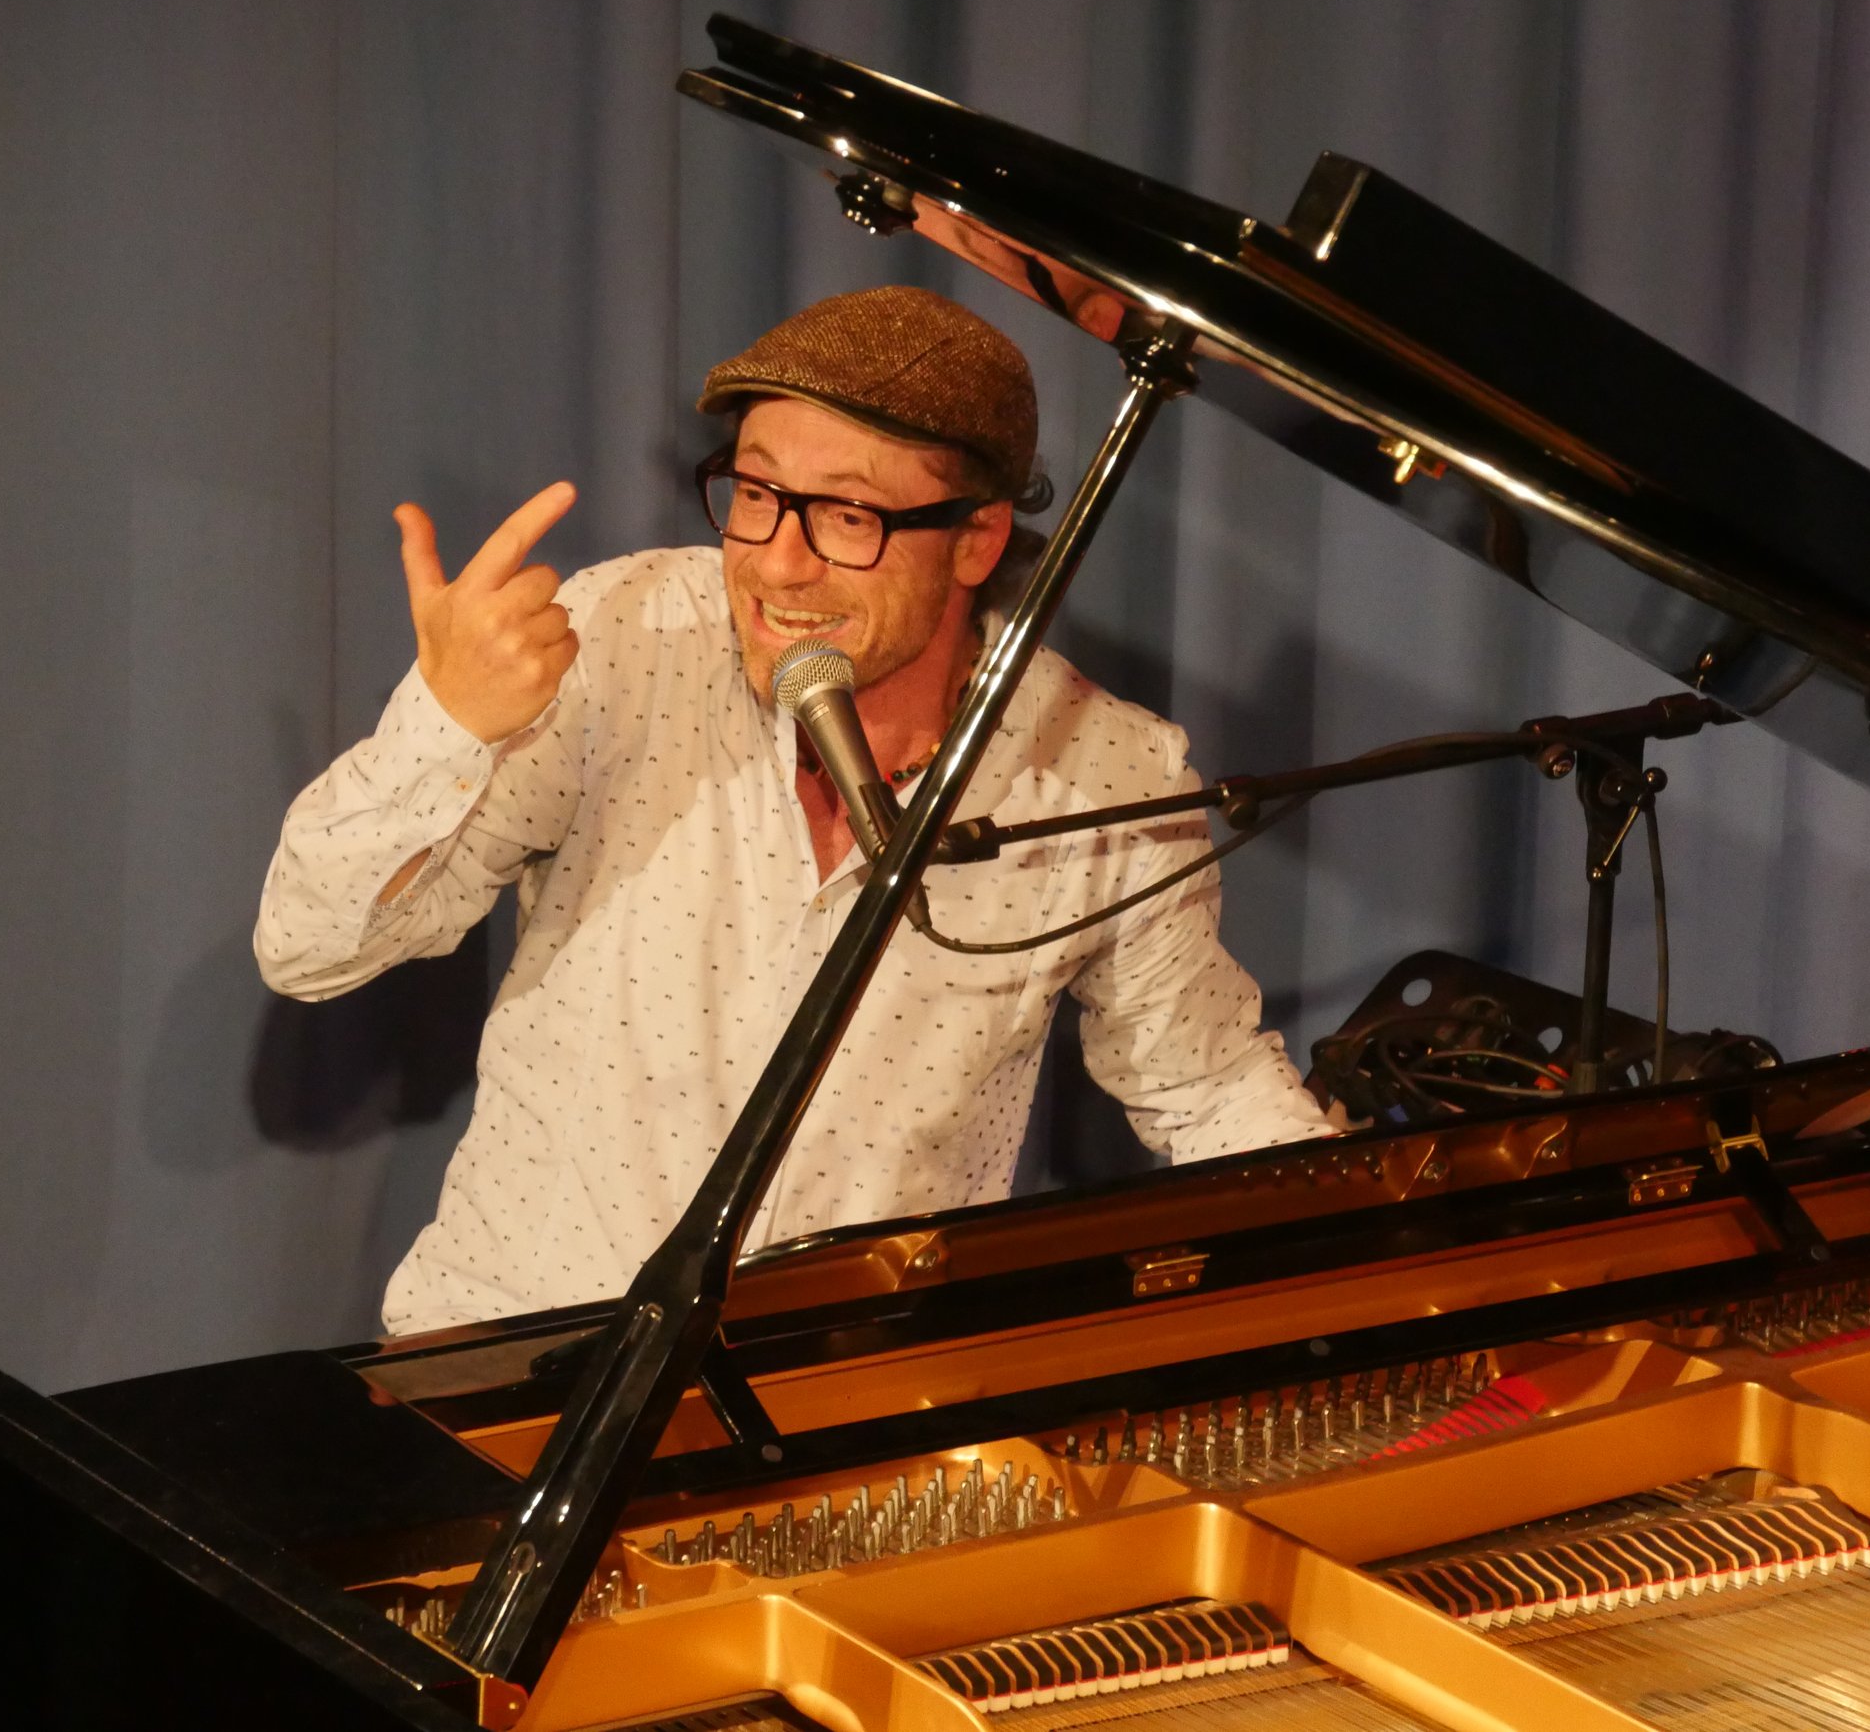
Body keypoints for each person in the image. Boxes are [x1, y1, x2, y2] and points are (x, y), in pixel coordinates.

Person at [257, 286, 1332, 1334]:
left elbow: (1205, 1087)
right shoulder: (623, 639)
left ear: (977, 538)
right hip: (520, 1365)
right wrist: (448, 723)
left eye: (849, 516)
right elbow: (310, 948)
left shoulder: (1109, 774)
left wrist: (1374, 1253)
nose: (777, 562)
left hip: (846, 1395)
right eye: (756, 493)